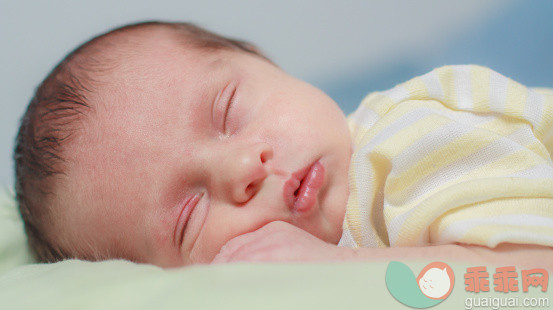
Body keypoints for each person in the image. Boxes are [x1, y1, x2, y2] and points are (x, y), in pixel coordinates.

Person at [14, 21, 553, 269]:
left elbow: (530, 280)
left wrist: (336, 271)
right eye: (189, 214)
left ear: (263, 60)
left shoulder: (415, 140)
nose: (244, 167)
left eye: (227, 113)